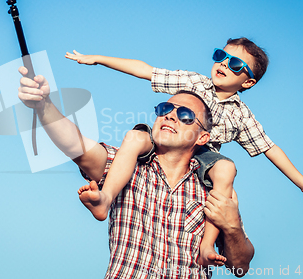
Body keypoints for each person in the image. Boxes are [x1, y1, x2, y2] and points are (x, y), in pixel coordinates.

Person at [65, 37, 303, 267]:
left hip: (202, 159)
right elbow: (146, 71)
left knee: (226, 170)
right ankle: (105, 199)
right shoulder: (193, 82)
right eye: (221, 56)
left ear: (248, 82)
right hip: (165, 143)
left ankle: (206, 247)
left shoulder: (242, 115)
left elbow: (269, 148)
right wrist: (97, 58)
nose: (224, 64)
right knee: (134, 137)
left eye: (236, 64)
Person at [17, 66, 254, 278]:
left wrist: (233, 228)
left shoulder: (213, 185)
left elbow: (240, 267)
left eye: (185, 116)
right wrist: (43, 105)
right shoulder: (126, 164)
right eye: (165, 108)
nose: (171, 115)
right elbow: (75, 145)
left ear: (203, 137)